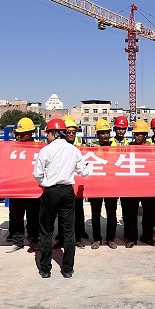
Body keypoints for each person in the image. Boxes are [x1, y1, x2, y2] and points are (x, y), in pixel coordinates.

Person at [33, 118, 90, 278]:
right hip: (67, 192)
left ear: (55, 133)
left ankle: (45, 269)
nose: (46, 136)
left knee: (46, 231)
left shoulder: (46, 150)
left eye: (48, 133)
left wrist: (45, 183)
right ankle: (67, 269)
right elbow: (84, 172)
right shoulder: (73, 150)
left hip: (50, 192)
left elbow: (37, 174)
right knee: (69, 231)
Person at [8, 117, 41, 253]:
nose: (21, 136)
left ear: (31, 132)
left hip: (33, 188)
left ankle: (34, 239)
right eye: (19, 133)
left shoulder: (39, 147)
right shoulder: (13, 147)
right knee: (17, 216)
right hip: (17, 188)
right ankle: (18, 241)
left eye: (24, 133)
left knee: (34, 216)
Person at [89, 119, 119, 249]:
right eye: (102, 133)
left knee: (112, 214)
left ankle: (110, 238)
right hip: (96, 186)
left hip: (111, 185)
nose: (105, 135)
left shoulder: (116, 148)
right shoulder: (92, 148)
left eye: (107, 132)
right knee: (95, 214)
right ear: (97, 134)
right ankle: (97, 239)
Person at [61, 117, 89, 248]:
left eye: (74, 132)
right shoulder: (59, 146)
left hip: (77, 183)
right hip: (64, 184)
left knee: (77, 212)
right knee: (63, 214)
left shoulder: (80, 145)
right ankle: (62, 238)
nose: (71, 134)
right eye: (69, 132)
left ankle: (78, 236)